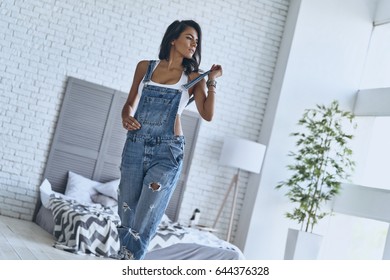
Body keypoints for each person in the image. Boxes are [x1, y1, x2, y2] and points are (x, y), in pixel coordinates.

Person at [116, 19, 222, 260]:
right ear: (173, 39)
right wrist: (125, 116)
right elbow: (131, 101)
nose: (194, 44)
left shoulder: (194, 76)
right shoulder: (145, 67)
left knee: (146, 215)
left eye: (197, 41)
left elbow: (208, 114)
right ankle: (125, 258)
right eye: (189, 38)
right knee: (127, 210)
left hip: (168, 151)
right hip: (135, 145)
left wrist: (212, 80)